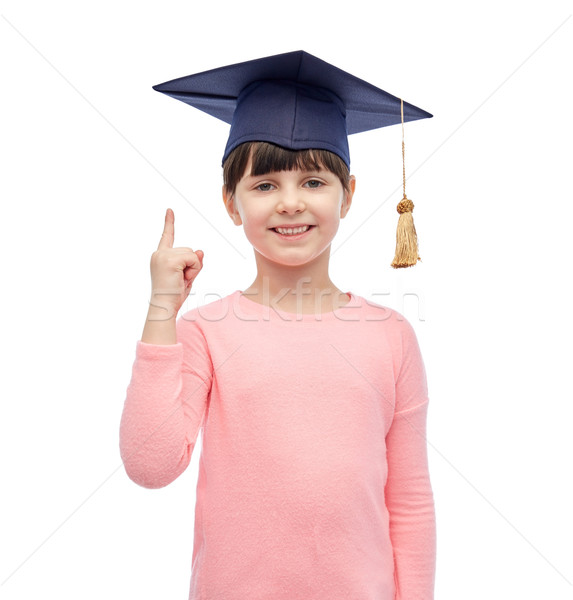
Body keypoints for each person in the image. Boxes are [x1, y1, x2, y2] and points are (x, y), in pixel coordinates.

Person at [120, 50, 436, 600]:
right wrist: (161, 315)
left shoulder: (390, 336)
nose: (290, 203)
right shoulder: (204, 333)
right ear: (231, 203)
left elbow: (408, 500)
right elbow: (150, 465)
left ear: (349, 195)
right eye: (264, 185)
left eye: (314, 181)